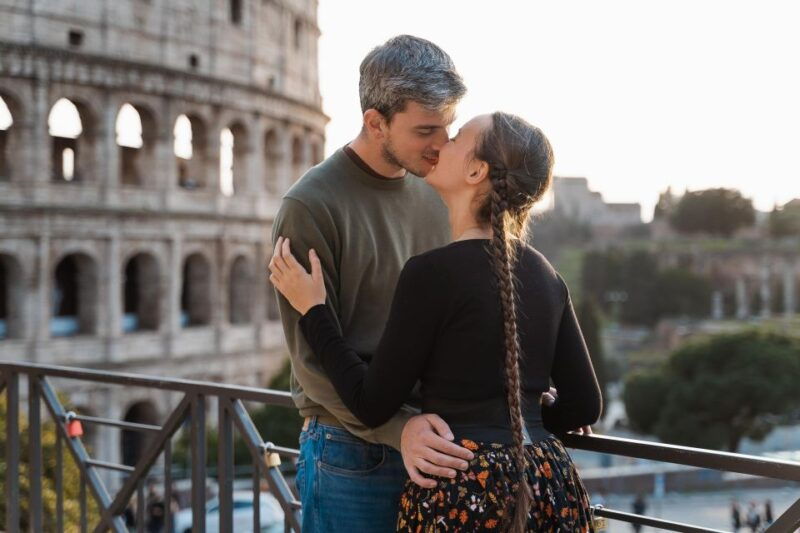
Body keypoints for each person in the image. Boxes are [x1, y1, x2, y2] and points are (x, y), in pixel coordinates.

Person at [270, 112, 601, 531]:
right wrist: (526, 413)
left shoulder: (431, 273)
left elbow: (370, 403)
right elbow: (586, 404)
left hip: (463, 486)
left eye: (457, 136)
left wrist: (314, 309)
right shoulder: (544, 272)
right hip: (548, 484)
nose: (441, 143)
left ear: (476, 169)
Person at [271, 35, 473, 533]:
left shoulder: (439, 189)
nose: (441, 144)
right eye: (426, 129)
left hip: (437, 441)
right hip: (352, 452)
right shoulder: (310, 206)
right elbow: (311, 362)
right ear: (375, 122)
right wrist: (398, 430)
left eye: (447, 127)